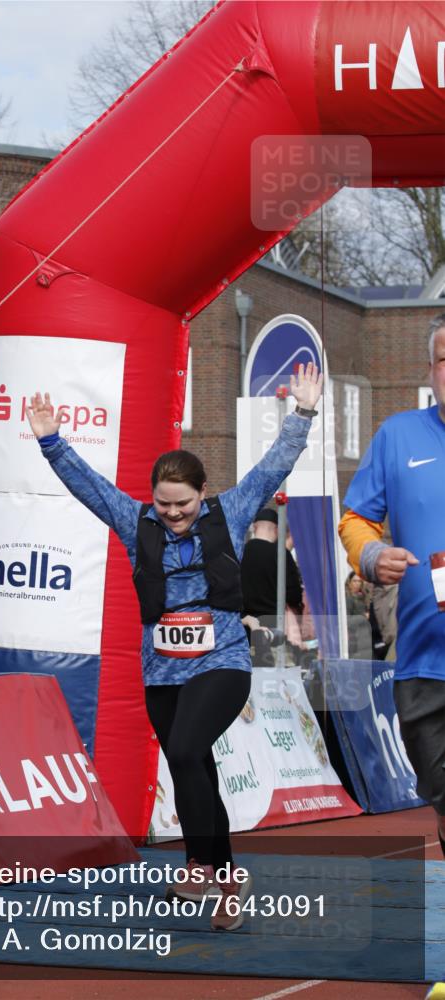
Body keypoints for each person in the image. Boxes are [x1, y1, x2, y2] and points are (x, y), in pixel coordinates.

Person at [26, 362, 323, 931]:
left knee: (186, 750)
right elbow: (90, 488)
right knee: (194, 765)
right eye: (164, 504)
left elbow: (273, 466)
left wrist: (303, 413)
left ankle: (199, 865)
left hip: (222, 660)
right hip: (161, 670)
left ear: (202, 494)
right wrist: (51, 442)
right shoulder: (135, 521)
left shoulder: (231, 511)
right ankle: (226, 877)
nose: (174, 513)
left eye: (183, 504)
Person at [339, 313, 445, 858]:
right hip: (424, 661)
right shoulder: (398, 435)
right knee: (441, 795)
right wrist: (373, 554)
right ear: (430, 369)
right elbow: (356, 519)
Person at [240, 508, 303, 665]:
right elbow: (294, 595)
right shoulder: (281, 554)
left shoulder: (239, 552)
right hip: (274, 632)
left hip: (243, 632)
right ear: (276, 529)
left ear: (254, 527)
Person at [345, 572, 371, 659]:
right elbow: (347, 619)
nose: (357, 584)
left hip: (364, 635)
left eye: (359, 581)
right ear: (349, 582)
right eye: (354, 581)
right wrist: (363, 617)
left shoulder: (363, 596)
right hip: (354, 636)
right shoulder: (348, 598)